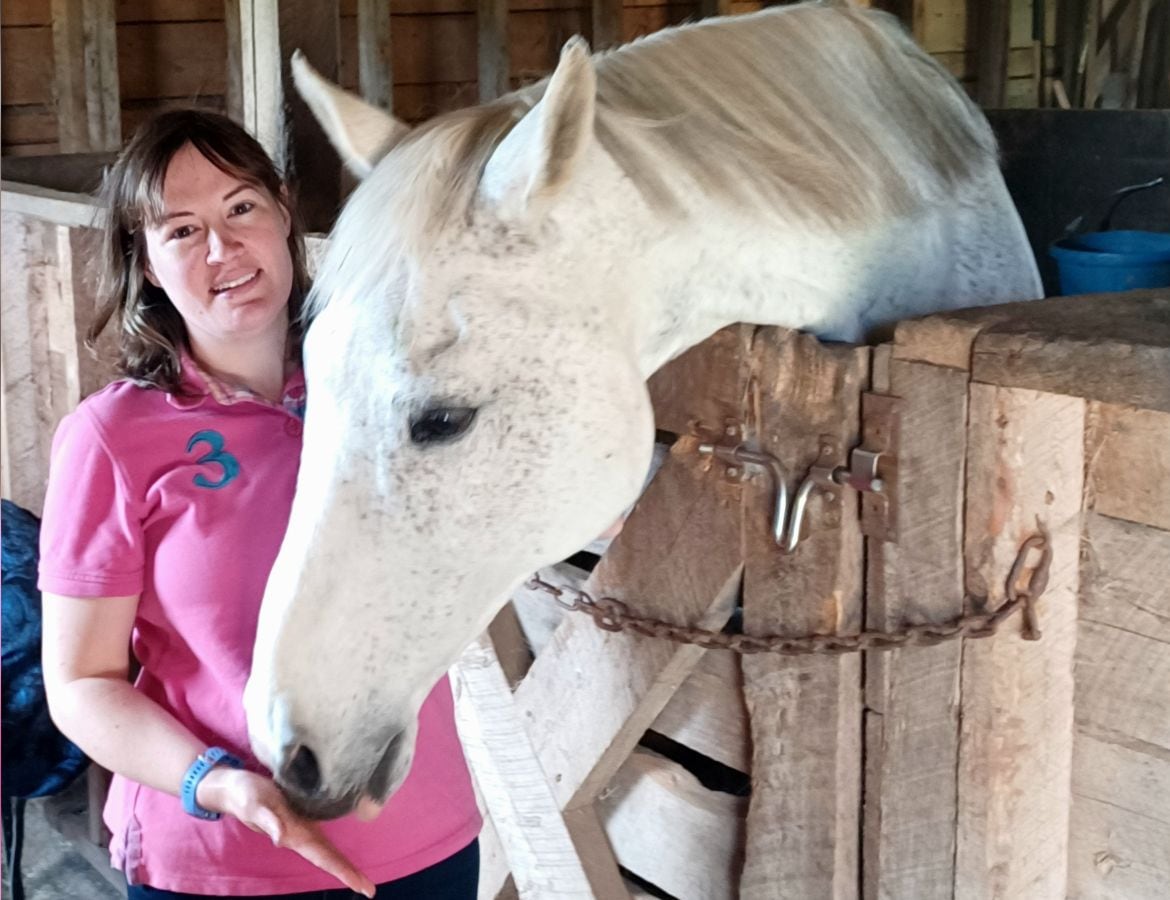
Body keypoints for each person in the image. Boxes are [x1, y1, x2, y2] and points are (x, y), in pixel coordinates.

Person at [38, 109, 482, 899]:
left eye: (241, 208)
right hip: (219, 860)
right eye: (181, 231)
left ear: (283, 210)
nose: (223, 248)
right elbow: (80, 683)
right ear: (143, 263)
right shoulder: (116, 437)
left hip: (425, 842)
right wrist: (213, 783)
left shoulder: (392, 388)